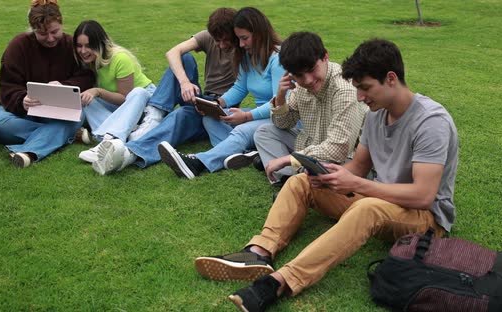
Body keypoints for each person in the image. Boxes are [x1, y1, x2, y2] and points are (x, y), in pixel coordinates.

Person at [194, 38, 459, 312]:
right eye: (358, 89)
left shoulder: (431, 122)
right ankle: (258, 252)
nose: (360, 97)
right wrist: (329, 177)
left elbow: (424, 196)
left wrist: (357, 183)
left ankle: (280, 281)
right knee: (301, 182)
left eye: (365, 88)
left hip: (425, 220)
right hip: (381, 201)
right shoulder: (375, 115)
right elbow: (357, 166)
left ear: (391, 79)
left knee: (368, 208)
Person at [89, 7, 237, 175]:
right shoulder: (208, 36)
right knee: (184, 58)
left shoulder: (244, 46)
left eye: (226, 40)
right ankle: (154, 116)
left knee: (179, 115)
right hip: (202, 100)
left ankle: (128, 154)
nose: (221, 45)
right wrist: (184, 82)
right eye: (217, 40)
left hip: (222, 109)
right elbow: (172, 52)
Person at [157, 7, 284, 179]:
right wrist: (218, 104)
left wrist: (247, 117)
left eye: (244, 38)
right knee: (211, 118)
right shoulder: (248, 56)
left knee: (242, 131)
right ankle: (246, 153)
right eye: (239, 39)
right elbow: (240, 88)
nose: (240, 44)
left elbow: (280, 103)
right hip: (261, 114)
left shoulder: (278, 58)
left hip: (279, 118)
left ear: (260, 33)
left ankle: (197, 163)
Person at [253, 32, 366, 184]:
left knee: (336, 167)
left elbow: (339, 149)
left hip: (346, 157)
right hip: (313, 145)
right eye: (299, 75)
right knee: (264, 132)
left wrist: (289, 159)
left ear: (325, 57)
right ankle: (289, 178)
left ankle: (289, 175)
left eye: (312, 69)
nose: (308, 80)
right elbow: (282, 124)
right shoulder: (300, 86)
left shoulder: (343, 89)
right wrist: (280, 96)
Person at [0, 0, 94, 168]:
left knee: (77, 118)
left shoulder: (71, 44)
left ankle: (29, 153)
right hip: (22, 111)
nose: (50, 38)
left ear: (62, 23)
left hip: (60, 111)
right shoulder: (18, 46)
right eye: (42, 33)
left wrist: (64, 85)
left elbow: (86, 76)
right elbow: (7, 85)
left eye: (55, 32)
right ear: (33, 30)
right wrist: (21, 100)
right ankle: (68, 134)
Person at [74, 20, 155, 163]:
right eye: (79, 46)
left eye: (88, 46)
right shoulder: (87, 61)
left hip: (140, 102)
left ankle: (108, 141)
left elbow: (125, 98)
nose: (83, 51)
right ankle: (119, 135)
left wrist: (98, 91)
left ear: (99, 44)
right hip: (115, 105)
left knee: (138, 92)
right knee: (87, 100)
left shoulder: (120, 58)